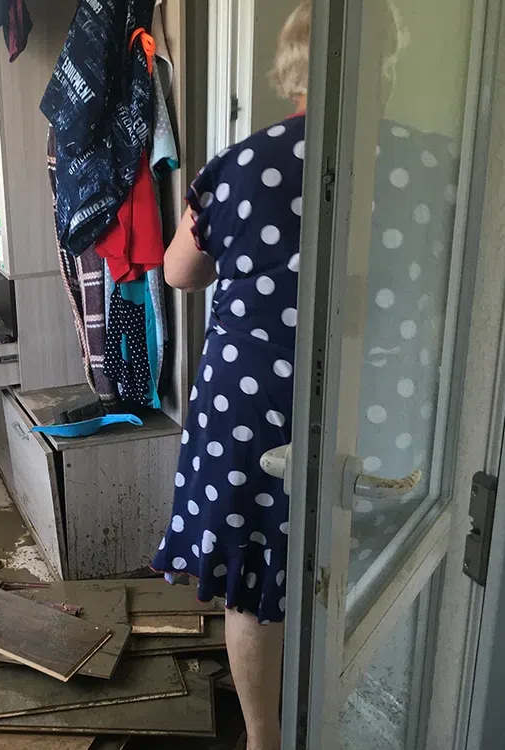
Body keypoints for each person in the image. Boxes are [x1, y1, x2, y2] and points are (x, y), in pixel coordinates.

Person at [152, 3, 420, 748]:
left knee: (252, 570)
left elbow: (178, 272)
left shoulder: (244, 165)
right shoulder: (431, 165)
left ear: (289, 69)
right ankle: (354, 722)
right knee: (371, 565)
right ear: (385, 66)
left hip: (252, 398)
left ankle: (263, 738)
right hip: (380, 395)